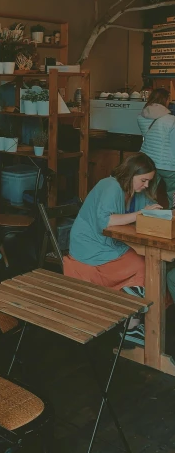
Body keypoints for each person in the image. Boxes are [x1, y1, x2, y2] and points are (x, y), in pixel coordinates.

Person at [64, 153, 175, 347]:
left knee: (150, 264)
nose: (146, 185)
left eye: (148, 181)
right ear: (130, 174)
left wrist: (153, 212)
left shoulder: (136, 192)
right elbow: (105, 222)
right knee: (145, 265)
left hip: (113, 247)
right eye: (143, 180)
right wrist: (141, 213)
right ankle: (132, 320)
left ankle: (132, 322)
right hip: (90, 248)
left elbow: (137, 219)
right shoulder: (110, 186)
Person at [138, 88, 175, 207]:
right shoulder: (171, 120)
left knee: (148, 193)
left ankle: (147, 218)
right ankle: (172, 218)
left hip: (149, 162)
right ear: (165, 100)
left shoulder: (141, 117)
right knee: (173, 193)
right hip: (168, 164)